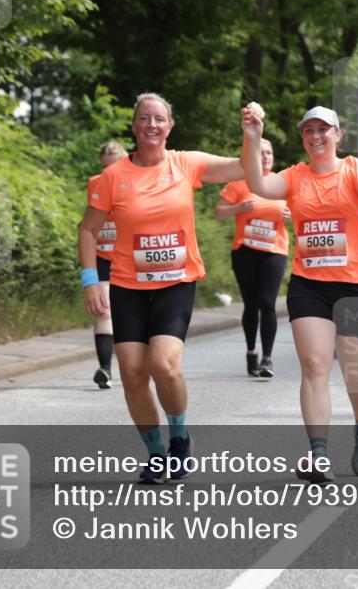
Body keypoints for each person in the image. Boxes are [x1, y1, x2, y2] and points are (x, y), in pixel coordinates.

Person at [79, 93, 247, 484]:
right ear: (135, 126)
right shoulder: (113, 176)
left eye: (159, 119)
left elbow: (243, 168)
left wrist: (251, 133)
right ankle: (156, 454)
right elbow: (87, 229)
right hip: (127, 284)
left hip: (176, 281)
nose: (151, 125)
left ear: (170, 126)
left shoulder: (186, 164)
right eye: (144, 118)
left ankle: (180, 437)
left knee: (164, 364)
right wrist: (91, 280)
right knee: (133, 373)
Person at [241, 105, 358, 484]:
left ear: (338, 135)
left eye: (323, 129)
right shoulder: (295, 176)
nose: (315, 136)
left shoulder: (356, 169)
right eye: (308, 130)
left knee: (354, 370)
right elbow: (258, 185)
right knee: (314, 366)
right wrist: (253, 135)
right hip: (310, 284)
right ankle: (318, 454)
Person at [215, 138, 290, 378]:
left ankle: (267, 358)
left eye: (269, 152)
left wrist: (293, 215)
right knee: (251, 303)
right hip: (245, 250)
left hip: (274, 250)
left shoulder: (282, 183)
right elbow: (218, 212)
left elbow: (302, 212)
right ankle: (251, 351)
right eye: (261, 152)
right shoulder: (238, 183)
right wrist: (237, 209)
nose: (266, 156)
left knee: (268, 303)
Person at [87, 141, 127, 389]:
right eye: (104, 167)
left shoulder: (136, 181)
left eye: (114, 166)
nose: (108, 172)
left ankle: (139, 366)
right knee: (103, 310)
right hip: (103, 253)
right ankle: (105, 369)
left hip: (130, 257)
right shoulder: (94, 183)